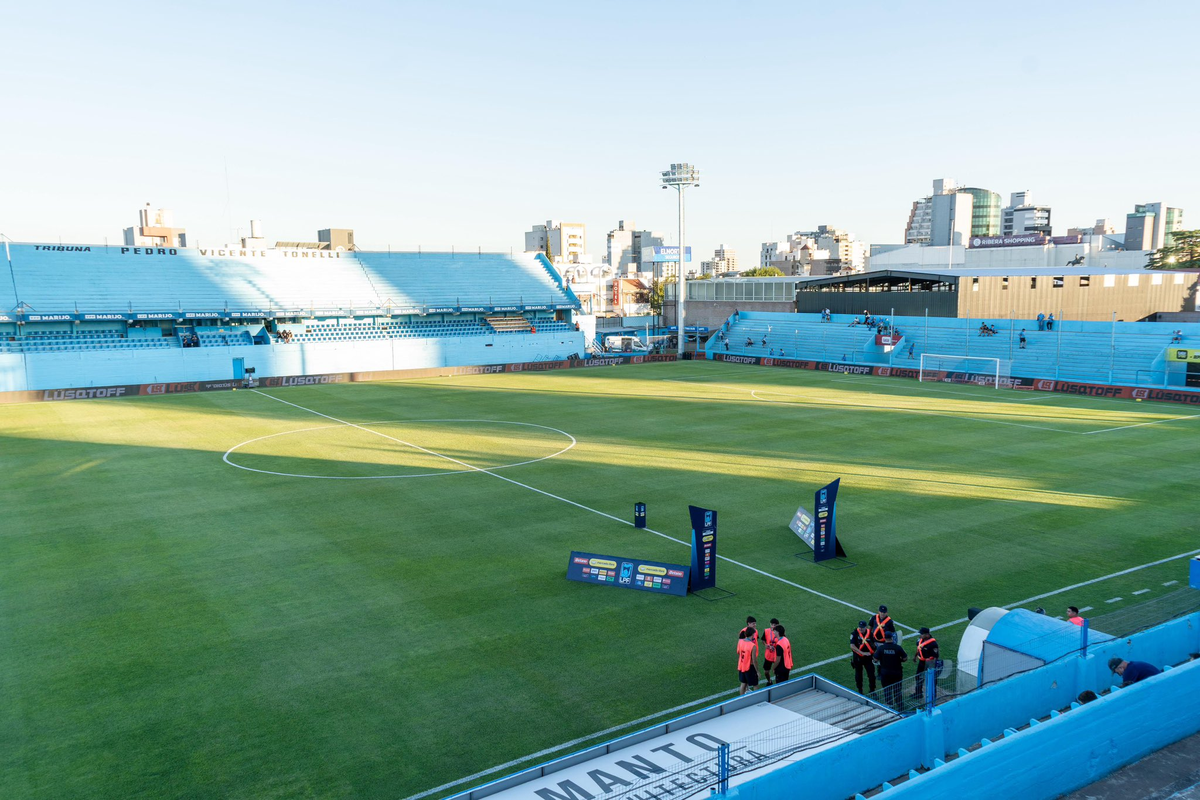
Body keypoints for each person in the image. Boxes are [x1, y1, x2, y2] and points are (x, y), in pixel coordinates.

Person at [873, 632, 908, 709]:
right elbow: (905, 658)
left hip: (885, 673)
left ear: (884, 638)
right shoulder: (898, 648)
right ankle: (900, 706)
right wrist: (899, 660)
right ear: (892, 638)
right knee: (897, 690)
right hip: (897, 672)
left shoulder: (881, 648)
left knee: (887, 690)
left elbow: (875, 659)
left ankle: (890, 706)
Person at [850, 620, 877, 694]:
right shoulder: (854, 633)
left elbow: (875, 645)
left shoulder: (870, 634)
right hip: (858, 658)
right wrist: (862, 653)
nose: (861, 629)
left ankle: (872, 690)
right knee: (858, 675)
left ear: (866, 627)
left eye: (862, 627)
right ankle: (860, 690)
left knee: (871, 675)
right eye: (860, 627)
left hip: (868, 658)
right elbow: (852, 646)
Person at [912, 627, 939, 699]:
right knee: (918, 677)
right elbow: (918, 648)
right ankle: (918, 693)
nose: (920, 635)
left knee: (932, 679)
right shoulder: (920, 640)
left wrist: (933, 666)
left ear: (927, 634)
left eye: (922, 634)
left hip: (930, 662)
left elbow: (936, 656)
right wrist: (915, 656)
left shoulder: (933, 644)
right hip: (921, 662)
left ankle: (933, 695)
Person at [737, 629, 759, 695]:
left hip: (741, 666)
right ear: (752, 634)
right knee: (755, 685)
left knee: (743, 684)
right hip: (749, 667)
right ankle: (756, 700)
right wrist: (757, 671)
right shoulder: (752, 646)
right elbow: (754, 660)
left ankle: (741, 699)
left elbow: (738, 652)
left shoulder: (740, 642)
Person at [761, 618, 780, 684]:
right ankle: (769, 681)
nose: (773, 626)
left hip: (777, 656)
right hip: (768, 655)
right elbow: (763, 640)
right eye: (772, 624)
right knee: (766, 671)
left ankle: (778, 683)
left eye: (775, 625)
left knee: (776, 672)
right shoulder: (766, 631)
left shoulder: (780, 632)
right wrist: (766, 645)